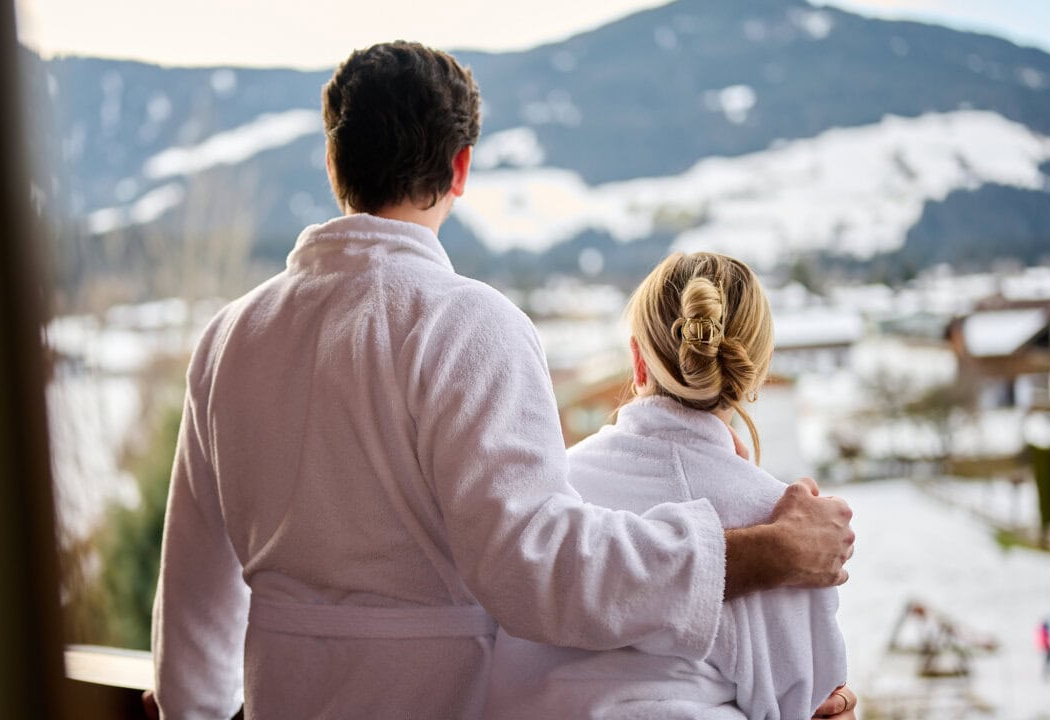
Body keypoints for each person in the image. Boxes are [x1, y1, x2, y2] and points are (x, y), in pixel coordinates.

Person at [150, 41, 856, 720]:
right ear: (460, 168)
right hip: (439, 704)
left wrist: (193, 709)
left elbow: (193, 594)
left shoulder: (229, 337)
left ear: (334, 160)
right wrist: (769, 551)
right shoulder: (469, 326)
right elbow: (541, 572)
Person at [484, 252, 849, 719]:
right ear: (756, 372)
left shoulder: (548, 497)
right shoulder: (788, 528)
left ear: (637, 362)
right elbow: (811, 703)